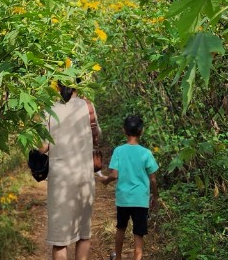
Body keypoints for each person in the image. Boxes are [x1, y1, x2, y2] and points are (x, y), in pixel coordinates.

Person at [39, 81, 101, 260]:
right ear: (78, 85)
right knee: (83, 233)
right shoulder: (87, 106)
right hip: (83, 176)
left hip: (60, 180)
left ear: (56, 85)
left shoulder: (49, 109)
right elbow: (96, 137)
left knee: (60, 240)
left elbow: (43, 147)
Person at [97, 114, 158, 260]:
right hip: (140, 200)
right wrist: (155, 195)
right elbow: (153, 179)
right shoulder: (146, 153)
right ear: (141, 131)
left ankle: (117, 257)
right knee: (138, 234)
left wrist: (105, 181)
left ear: (124, 131)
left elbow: (114, 175)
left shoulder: (119, 151)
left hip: (123, 199)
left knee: (121, 228)